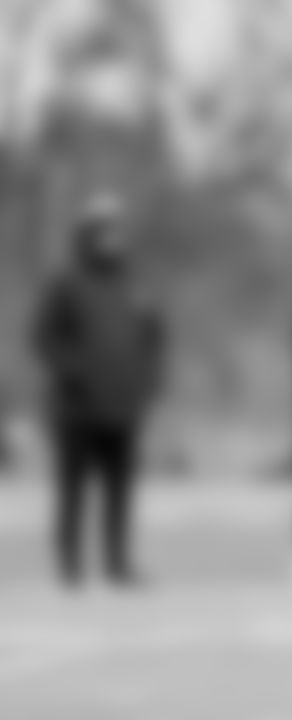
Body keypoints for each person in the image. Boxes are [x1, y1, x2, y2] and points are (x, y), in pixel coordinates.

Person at [31, 196, 167, 591]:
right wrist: (76, 373)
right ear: (88, 235)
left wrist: (149, 382)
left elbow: (155, 338)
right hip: (77, 410)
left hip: (123, 407)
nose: (113, 238)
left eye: (117, 229)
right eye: (104, 230)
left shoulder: (135, 284)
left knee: (120, 490)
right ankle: (70, 564)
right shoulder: (66, 283)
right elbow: (44, 339)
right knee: (73, 489)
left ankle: (118, 563)